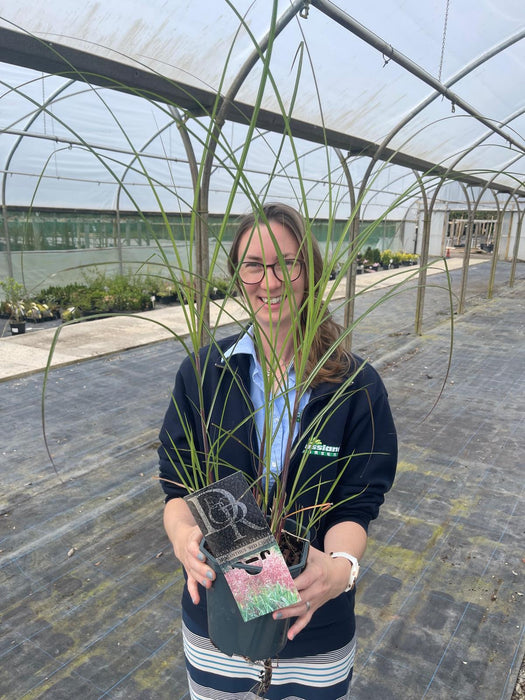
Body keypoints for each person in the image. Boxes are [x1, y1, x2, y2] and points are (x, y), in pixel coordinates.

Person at [158, 203, 397, 699]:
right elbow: (179, 483)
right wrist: (183, 536)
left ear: (308, 270)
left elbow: (356, 505)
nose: (270, 282)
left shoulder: (354, 386)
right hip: (217, 614)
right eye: (253, 265)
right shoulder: (205, 374)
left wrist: (340, 570)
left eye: (287, 263)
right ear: (237, 273)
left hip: (312, 623)